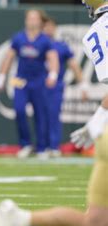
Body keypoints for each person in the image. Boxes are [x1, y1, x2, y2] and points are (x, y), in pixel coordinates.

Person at [0, 0, 108, 226]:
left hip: (105, 135)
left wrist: (98, 119)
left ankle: (20, 219)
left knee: (95, 223)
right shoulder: (25, 39)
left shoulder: (92, 34)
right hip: (31, 85)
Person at [0, 9, 59, 159]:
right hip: (20, 81)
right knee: (19, 110)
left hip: (38, 81)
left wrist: (53, 74)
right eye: (29, 18)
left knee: (40, 114)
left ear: (39, 21)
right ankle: (25, 144)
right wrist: (1, 76)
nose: (31, 21)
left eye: (34, 18)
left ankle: (42, 147)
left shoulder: (45, 40)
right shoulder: (19, 38)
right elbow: (9, 57)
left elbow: (53, 58)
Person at [43, 17, 88, 157]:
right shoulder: (37, 44)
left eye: (51, 26)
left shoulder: (61, 46)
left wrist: (83, 86)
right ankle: (41, 146)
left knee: (53, 114)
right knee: (41, 116)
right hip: (38, 85)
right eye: (46, 26)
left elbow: (74, 65)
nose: (48, 29)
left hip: (55, 86)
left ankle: (54, 146)